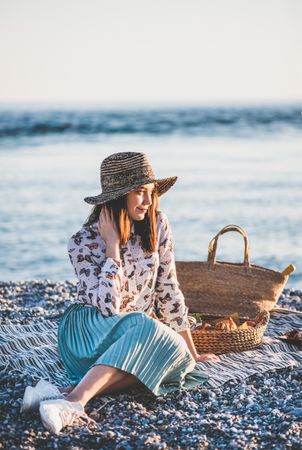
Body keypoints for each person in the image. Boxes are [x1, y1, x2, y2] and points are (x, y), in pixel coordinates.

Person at [21, 151, 220, 434]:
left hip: (134, 336)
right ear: (118, 195)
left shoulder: (158, 225)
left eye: (151, 192)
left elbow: (168, 289)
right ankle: (77, 401)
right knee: (145, 325)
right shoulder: (82, 242)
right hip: (87, 334)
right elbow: (108, 308)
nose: (148, 201)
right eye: (140, 192)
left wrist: (192, 351)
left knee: (182, 362)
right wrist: (112, 248)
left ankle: (59, 395)